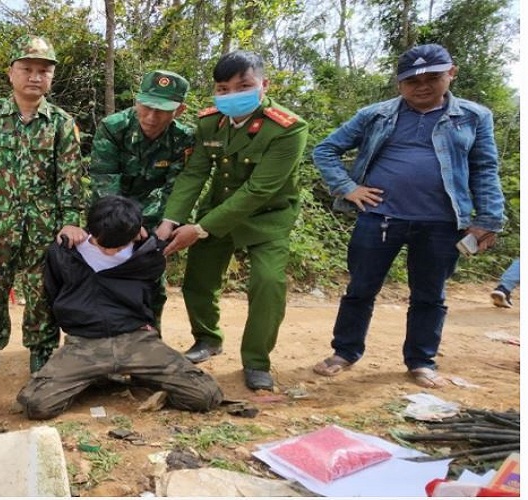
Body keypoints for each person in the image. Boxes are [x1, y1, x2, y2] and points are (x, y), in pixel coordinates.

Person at [311, 44, 506, 388]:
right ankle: (345, 351)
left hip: (442, 223)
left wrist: (489, 218)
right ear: (399, 84)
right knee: (360, 289)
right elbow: (326, 148)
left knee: (430, 295)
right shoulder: (376, 114)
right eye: (412, 81)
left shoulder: (474, 117)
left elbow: (484, 168)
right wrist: (347, 187)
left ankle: (421, 360)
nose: (422, 86)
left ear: (452, 73)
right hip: (379, 218)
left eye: (433, 77)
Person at [156, 50, 308, 391]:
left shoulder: (288, 129)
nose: (232, 95)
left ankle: (256, 361)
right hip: (218, 209)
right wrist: (170, 220)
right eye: (223, 88)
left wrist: (199, 228)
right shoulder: (210, 122)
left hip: (267, 218)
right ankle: (208, 339)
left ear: (264, 85)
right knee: (198, 280)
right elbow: (194, 174)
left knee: (268, 284)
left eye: (244, 86)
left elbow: (259, 190)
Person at [0, 35, 86, 381]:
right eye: (26, 69)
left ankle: (41, 353)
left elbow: (70, 176)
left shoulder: (60, 123)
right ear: (11, 73)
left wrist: (71, 221)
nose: (35, 76)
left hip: (43, 226)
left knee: (41, 293)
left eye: (44, 70)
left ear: (51, 77)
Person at [17, 195, 223, 419]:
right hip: (85, 345)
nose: (110, 253)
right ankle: (96, 376)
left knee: (206, 395)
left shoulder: (148, 254)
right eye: (103, 246)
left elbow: (152, 297)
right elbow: (53, 293)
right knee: (35, 404)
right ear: (92, 231)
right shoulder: (64, 252)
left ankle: (131, 375)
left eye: (118, 247)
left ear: (136, 233)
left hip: (136, 341)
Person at [71, 69, 193, 328]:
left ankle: (148, 341)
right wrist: (125, 225)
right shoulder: (114, 127)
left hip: (156, 218)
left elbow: (178, 187)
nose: (150, 116)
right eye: (145, 106)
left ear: (179, 111)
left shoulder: (183, 138)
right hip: (111, 215)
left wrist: (167, 224)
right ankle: (98, 338)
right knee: (101, 277)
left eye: (161, 110)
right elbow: (105, 179)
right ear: (137, 101)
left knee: (151, 283)